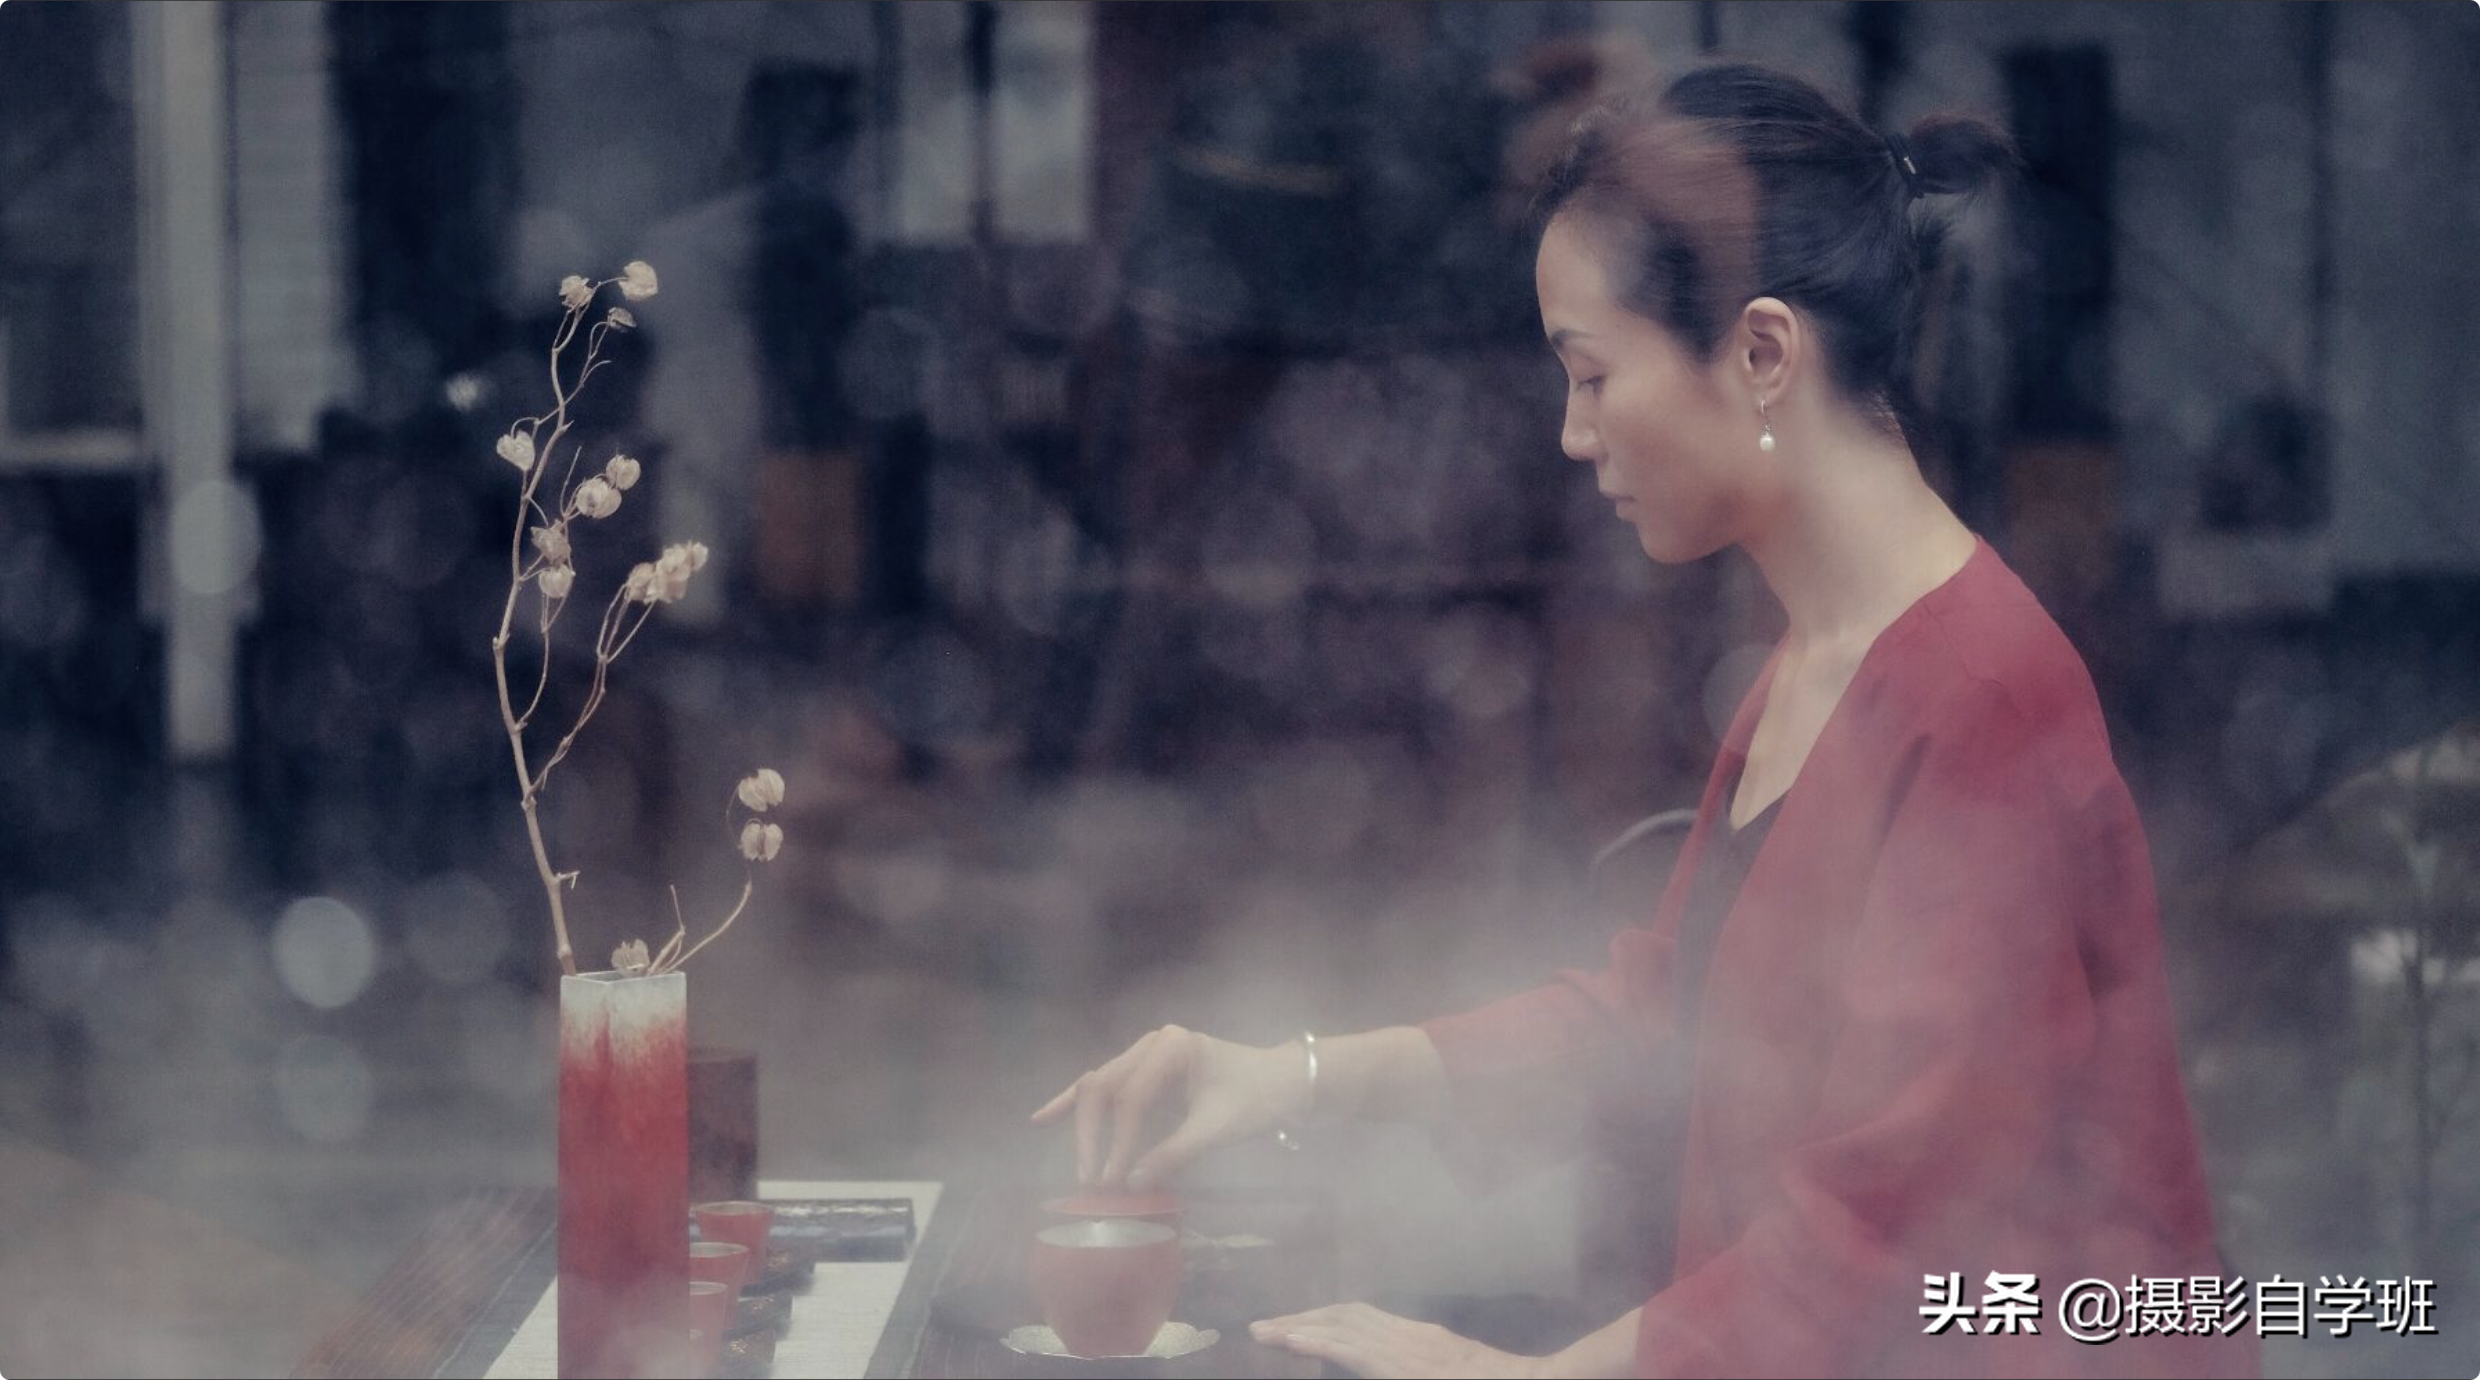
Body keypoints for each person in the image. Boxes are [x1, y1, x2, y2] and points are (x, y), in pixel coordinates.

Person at [1032, 61, 2256, 1379]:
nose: (1574, 434)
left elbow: (1891, 1228)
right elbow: (1667, 1022)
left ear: (1764, 354)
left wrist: (1522, 1378)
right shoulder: (1817, 655)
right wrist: (1293, 1075)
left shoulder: (1982, 694)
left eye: (1595, 373)